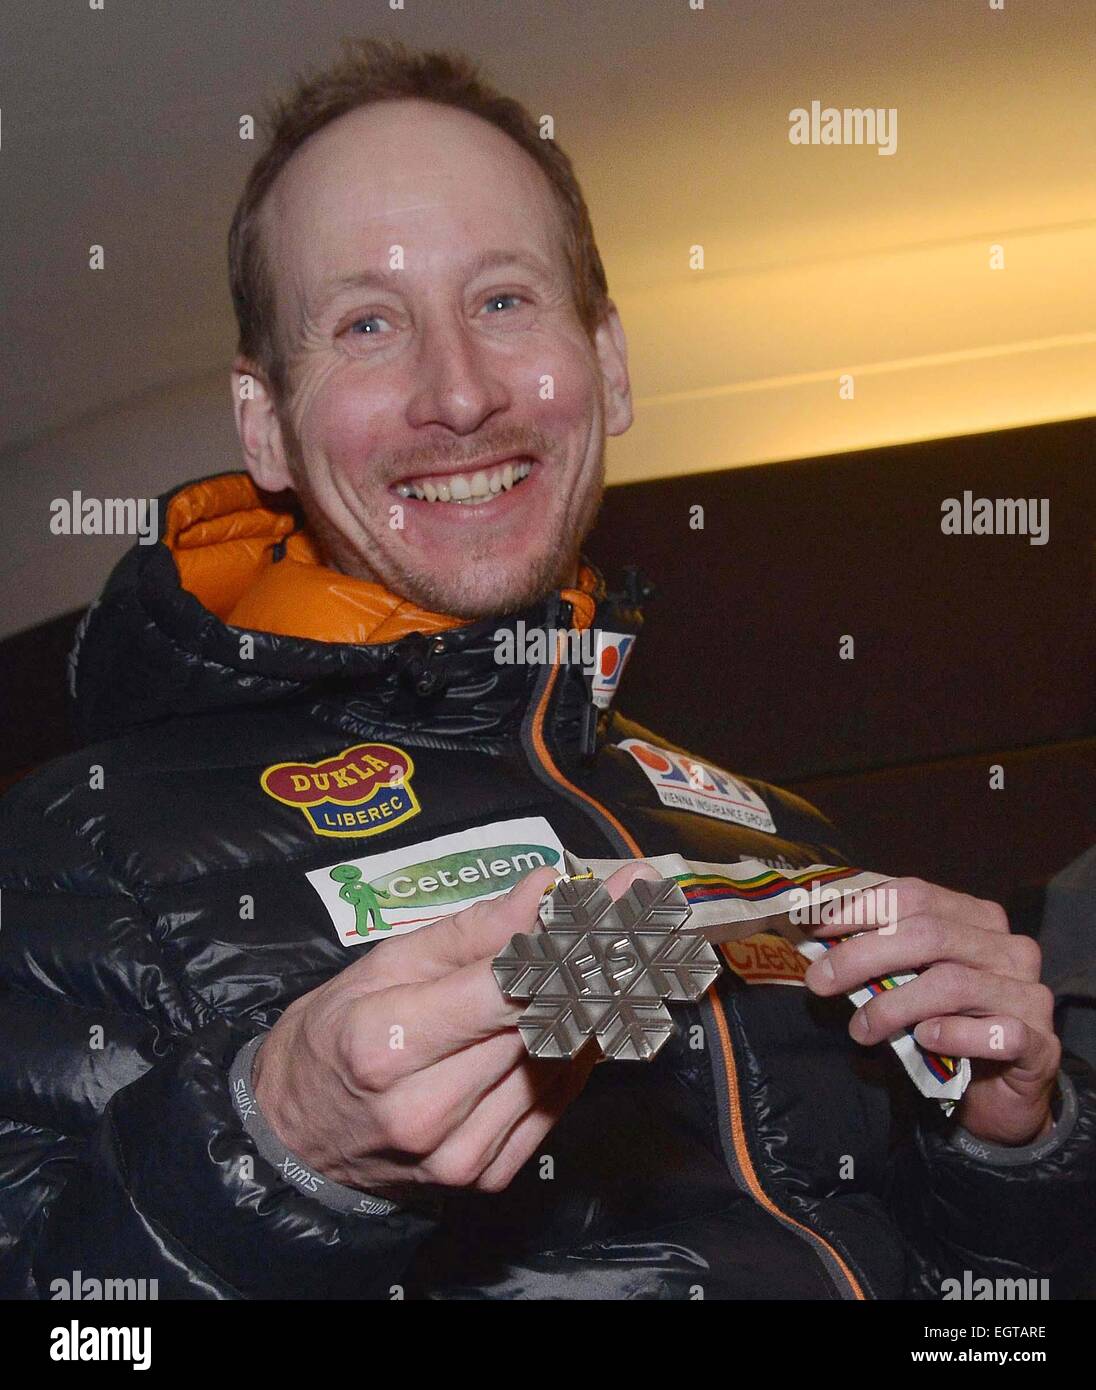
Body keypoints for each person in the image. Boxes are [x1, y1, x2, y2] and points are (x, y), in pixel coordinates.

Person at [1, 38, 1092, 1301]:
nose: (457, 392)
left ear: (609, 364)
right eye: (366, 323)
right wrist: (270, 1153)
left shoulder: (787, 840)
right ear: (267, 426)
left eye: (504, 300)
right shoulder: (76, 844)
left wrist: (1010, 1149)